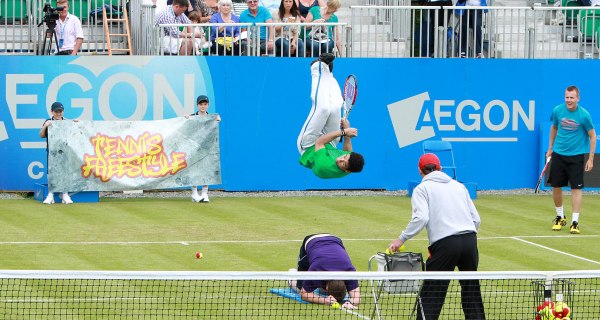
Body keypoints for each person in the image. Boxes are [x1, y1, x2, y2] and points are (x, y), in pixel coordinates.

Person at [388, 153, 485, 320]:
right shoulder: (459, 186)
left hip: (445, 245)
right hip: (470, 240)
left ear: (420, 171)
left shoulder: (422, 189)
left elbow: (421, 218)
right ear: (440, 168)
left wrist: (401, 239)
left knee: (433, 291)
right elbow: (476, 219)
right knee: (471, 289)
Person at [296, 53, 364, 179]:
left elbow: (319, 142)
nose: (340, 160)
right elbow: (347, 151)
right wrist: (347, 134)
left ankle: (316, 67)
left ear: (347, 171)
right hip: (330, 145)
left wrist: (343, 132)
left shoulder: (324, 168)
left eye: (343, 164)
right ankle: (328, 71)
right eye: (344, 158)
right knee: (335, 107)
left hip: (309, 146)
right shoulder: (350, 160)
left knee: (323, 109)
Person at [547, 86, 596, 234]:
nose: (569, 100)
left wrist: (590, 159)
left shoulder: (584, 115)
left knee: (576, 189)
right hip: (558, 154)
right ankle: (560, 217)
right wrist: (550, 147)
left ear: (578, 98)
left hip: (576, 156)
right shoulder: (557, 111)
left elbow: (593, 136)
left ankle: (575, 222)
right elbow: (554, 128)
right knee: (556, 186)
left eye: (572, 97)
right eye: (567, 97)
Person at [289, 234, 361, 309]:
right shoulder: (316, 270)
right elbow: (303, 294)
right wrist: (324, 300)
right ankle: (291, 276)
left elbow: (357, 298)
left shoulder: (349, 271)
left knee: (321, 293)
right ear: (326, 288)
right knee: (299, 289)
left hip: (335, 240)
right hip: (312, 241)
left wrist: (349, 302)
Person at [186, 95, 221, 203]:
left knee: (207, 169)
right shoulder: (192, 116)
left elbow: (217, 120)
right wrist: (186, 119)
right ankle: (194, 193)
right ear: (197, 105)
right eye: (201, 104)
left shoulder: (211, 117)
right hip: (194, 149)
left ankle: (205, 193)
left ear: (208, 105)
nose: (203, 106)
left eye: (205, 104)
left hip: (207, 148)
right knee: (194, 170)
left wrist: (217, 119)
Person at [39, 102, 74, 205]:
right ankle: (50, 195)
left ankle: (65, 195)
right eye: (56, 111)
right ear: (52, 112)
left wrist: (76, 123)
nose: (58, 113)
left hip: (65, 152)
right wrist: (45, 126)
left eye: (60, 111)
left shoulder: (67, 122)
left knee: (64, 172)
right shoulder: (48, 121)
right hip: (52, 153)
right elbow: (41, 135)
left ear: (63, 111)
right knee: (51, 172)